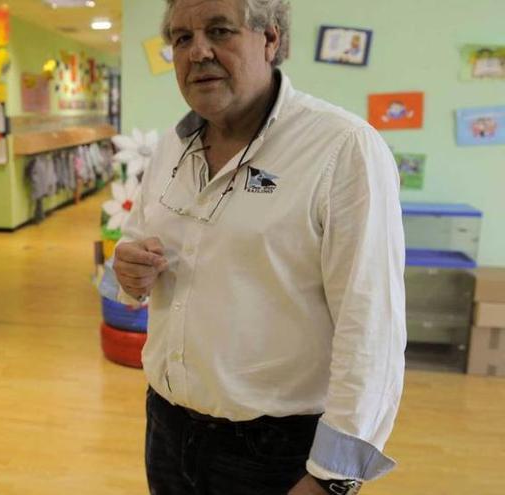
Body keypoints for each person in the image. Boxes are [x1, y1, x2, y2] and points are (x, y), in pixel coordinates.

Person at [112, 1, 406, 494]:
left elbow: (372, 326)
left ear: (270, 40)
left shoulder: (343, 148)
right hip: (166, 425)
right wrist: (126, 271)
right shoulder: (171, 147)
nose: (197, 51)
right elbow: (135, 245)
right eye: (181, 38)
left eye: (219, 31)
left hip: (274, 452)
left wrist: (332, 478)